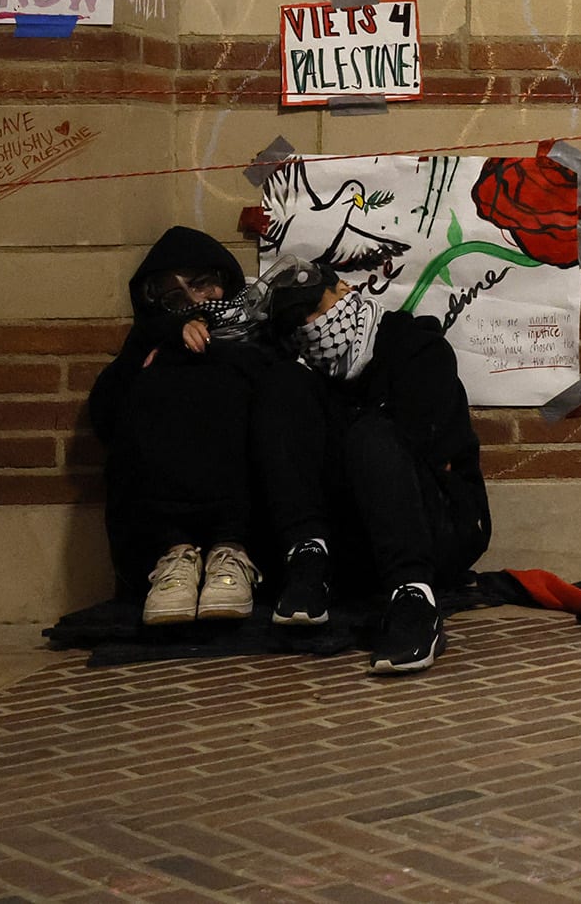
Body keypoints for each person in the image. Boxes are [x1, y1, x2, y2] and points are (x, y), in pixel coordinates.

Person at [252, 260, 491, 675]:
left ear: (345, 290)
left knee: (370, 436)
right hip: (354, 540)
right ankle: (308, 559)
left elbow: (425, 450)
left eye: (315, 308)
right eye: (298, 323)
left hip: (435, 526)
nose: (311, 325)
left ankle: (414, 600)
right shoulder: (308, 378)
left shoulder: (416, 348)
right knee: (282, 388)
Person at [87, 228, 265, 626]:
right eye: (176, 299)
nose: (196, 303)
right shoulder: (150, 346)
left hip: (239, 510)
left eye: (202, 285)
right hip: (164, 516)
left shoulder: (256, 330)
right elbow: (105, 413)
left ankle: (230, 551)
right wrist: (162, 337)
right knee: (154, 387)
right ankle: (175, 554)